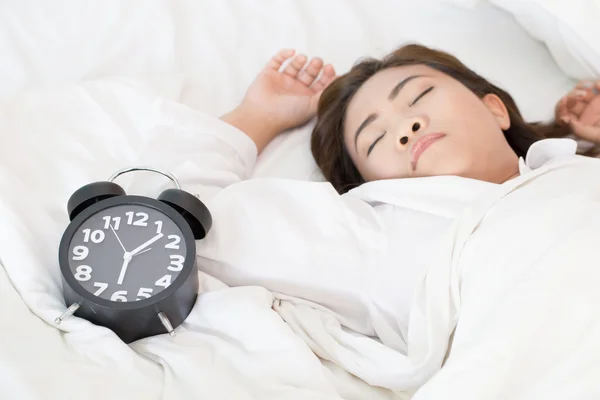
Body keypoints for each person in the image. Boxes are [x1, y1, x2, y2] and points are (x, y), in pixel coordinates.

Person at [193, 44, 600, 376]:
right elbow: (183, 220)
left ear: (494, 108)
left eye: (418, 97)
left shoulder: (573, 169)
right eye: (375, 139)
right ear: (373, 188)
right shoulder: (384, 234)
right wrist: (260, 116)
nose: (407, 128)